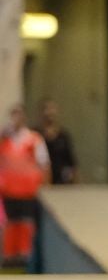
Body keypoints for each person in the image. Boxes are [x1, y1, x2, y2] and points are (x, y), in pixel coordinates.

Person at [0, 104, 50, 265]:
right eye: (13, 115)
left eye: (19, 115)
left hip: (28, 192)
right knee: (10, 224)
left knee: (26, 224)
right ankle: (9, 256)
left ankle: (25, 256)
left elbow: (44, 164)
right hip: (8, 191)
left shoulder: (33, 139)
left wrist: (46, 188)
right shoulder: (5, 140)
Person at [35, 100, 76, 186]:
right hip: (40, 183)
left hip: (61, 184)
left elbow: (71, 162)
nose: (49, 113)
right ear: (41, 112)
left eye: (52, 109)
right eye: (46, 109)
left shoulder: (63, 136)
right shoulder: (35, 135)